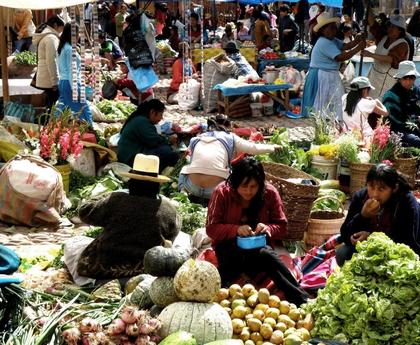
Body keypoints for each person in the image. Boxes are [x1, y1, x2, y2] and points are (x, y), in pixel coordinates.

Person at [206, 157, 309, 305]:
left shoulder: (270, 193)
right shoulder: (222, 193)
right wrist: (236, 230)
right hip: (229, 250)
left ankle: (302, 300)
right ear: (235, 184)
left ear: (260, 184)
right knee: (223, 279)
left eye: (253, 186)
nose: (248, 191)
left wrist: (268, 229)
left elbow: (282, 226)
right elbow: (211, 228)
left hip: (258, 251)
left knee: (268, 255)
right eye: (244, 186)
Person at [77, 154, 181, 279]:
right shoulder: (169, 210)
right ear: (157, 185)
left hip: (102, 268)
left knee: (74, 245)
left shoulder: (116, 200)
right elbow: (171, 237)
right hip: (145, 271)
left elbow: (84, 211)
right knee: (182, 241)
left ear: (131, 182)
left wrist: (108, 195)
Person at [337, 163, 420, 267]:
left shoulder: (406, 202)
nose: (375, 194)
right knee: (342, 254)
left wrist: (371, 237)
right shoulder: (360, 198)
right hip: (369, 254)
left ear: (394, 188)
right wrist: (362, 215)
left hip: (401, 257)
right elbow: (345, 235)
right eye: (371, 187)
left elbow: (406, 242)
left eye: (381, 189)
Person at [178, 115, 281, 202]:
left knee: (185, 169)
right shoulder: (230, 137)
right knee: (232, 173)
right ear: (228, 126)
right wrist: (273, 148)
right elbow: (253, 148)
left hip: (192, 187)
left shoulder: (195, 139)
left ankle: (183, 193)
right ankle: (225, 199)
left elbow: (191, 158)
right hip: (215, 190)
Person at [301, 13, 366, 120]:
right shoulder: (324, 42)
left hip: (329, 74)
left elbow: (345, 46)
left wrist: (357, 40)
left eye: (334, 27)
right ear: (323, 30)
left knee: (334, 102)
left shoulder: (331, 40)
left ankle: (333, 123)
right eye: (331, 28)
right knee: (327, 104)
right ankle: (326, 125)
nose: (334, 30)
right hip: (322, 75)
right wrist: (358, 48)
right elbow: (340, 57)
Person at [117, 99, 179, 170]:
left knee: (166, 149)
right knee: (168, 153)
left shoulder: (140, 119)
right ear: (152, 112)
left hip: (130, 155)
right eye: (160, 115)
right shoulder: (142, 121)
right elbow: (154, 141)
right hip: (129, 159)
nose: (161, 118)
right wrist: (168, 139)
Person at [382, 61, 420, 148]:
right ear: (399, 78)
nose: (408, 82)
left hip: (419, 127)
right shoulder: (390, 96)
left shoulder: (419, 92)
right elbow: (396, 119)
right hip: (397, 130)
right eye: (405, 78)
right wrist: (417, 119)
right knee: (417, 141)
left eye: (411, 78)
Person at [363, 15, 410, 98]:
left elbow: (391, 59)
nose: (390, 29)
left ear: (400, 30)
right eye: (390, 26)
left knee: (384, 104)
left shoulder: (402, 44)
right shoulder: (383, 37)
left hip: (389, 82)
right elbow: (373, 25)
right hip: (374, 77)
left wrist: (370, 55)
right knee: (369, 101)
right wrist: (367, 4)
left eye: (394, 27)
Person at [56, 23, 93, 126]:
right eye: (78, 33)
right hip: (70, 83)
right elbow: (72, 71)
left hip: (65, 82)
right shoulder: (69, 49)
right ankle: (91, 130)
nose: (79, 36)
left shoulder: (64, 47)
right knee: (82, 110)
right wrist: (75, 88)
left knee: (60, 109)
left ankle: (52, 129)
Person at [32, 15, 65, 109]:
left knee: (50, 104)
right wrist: (55, 81)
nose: (61, 31)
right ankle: (50, 123)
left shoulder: (47, 36)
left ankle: (48, 122)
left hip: (45, 76)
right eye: (61, 28)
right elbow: (52, 60)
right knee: (54, 105)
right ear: (55, 25)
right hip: (48, 78)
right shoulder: (51, 38)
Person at [342, 76, 388, 142]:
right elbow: (386, 113)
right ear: (365, 90)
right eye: (368, 90)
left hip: (346, 133)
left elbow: (355, 100)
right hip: (364, 137)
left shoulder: (344, 98)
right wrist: (377, 101)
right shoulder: (367, 103)